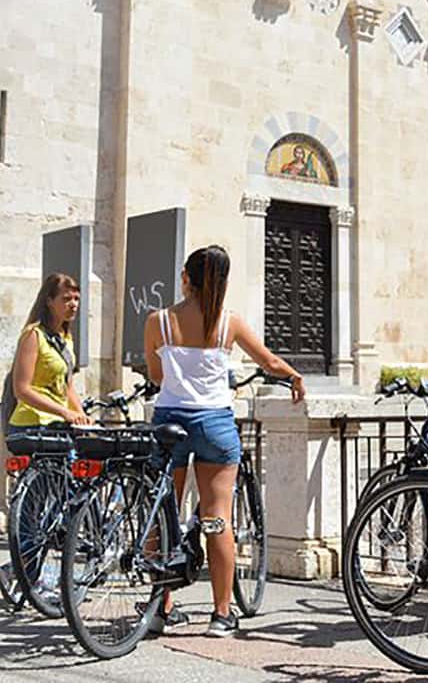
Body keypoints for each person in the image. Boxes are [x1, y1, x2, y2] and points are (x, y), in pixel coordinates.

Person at [143, 245, 306, 637]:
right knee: (218, 520)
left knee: (162, 515)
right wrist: (294, 376)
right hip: (215, 423)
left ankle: (160, 607)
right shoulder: (227, 322)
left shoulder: (159, 321)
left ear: (186, 277)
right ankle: (220, 614)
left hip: (170, 422)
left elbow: (155, 374)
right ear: (223, 281)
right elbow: (268, 361)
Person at [8, 273, 90, 431]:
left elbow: (67, 386)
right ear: (49, 301)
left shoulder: (66, 338)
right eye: (66, 299)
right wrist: (63, 411)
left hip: (59, 423)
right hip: (33, 424)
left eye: (76, 299)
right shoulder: (33, 335)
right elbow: (21, 389)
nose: (73, 304)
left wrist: (81, 415)